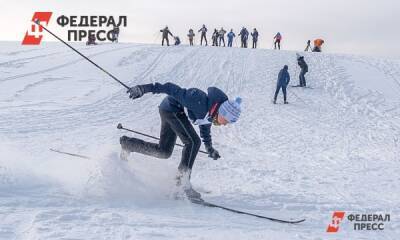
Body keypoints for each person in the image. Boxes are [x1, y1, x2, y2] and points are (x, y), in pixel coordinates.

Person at [120, 82, 242, 200]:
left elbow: (204, 127)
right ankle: (182, 183)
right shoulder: (198, 100)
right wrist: (143, 88)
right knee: (193, 142)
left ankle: (128, 144)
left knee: (164, 152)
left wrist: (209, 148)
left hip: (170, 110)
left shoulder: (212, 112)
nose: (225, 124)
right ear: (223, 113)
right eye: (227, 121)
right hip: (171, 109)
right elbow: (170, 88)